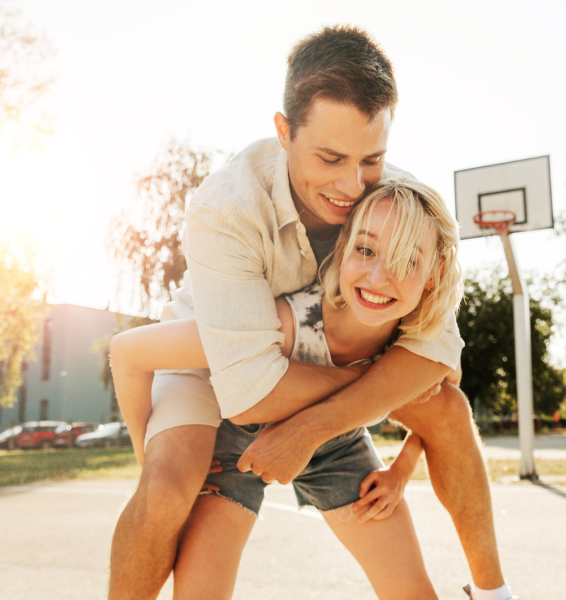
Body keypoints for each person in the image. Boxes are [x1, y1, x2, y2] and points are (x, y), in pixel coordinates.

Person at [108, 25, 516, 600]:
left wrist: (338, 438)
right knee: (168, 485)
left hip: (319, 379)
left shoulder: (395, 207)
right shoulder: (227, 206)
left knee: (446, 408)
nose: (353, 185)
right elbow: (247, 388)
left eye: (372, 159)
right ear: (284, 132)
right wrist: (367, 384)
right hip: (220, 363)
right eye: (330, 157)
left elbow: (434, 352)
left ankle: (493, 590)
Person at [112, 179, 460, 598]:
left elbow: (434, 406)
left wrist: (402, 469)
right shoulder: (284, 320)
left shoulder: (421, 341)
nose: (379, 277)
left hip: (336, 441)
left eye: (407, 262)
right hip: (238, 444)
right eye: (366, 250)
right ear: (344, 245)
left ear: (434, 274)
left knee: (412, 592)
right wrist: (145, 454)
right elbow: (130, 351)